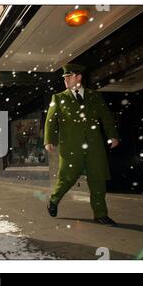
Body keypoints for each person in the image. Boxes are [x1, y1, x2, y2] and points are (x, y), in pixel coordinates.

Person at [44, 63, 120, 226]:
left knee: (98, 179)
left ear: (79, 77)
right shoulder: (58, 98)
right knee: (67, 179)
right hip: (71, 147)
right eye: (64, 78)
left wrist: (112, 135)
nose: (66, 80)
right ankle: (54, 199)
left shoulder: (94, 96)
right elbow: (51, 120)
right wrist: (49, 139)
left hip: (94, 147)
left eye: (69, 77)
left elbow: (105, 117)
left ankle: (100, 214)